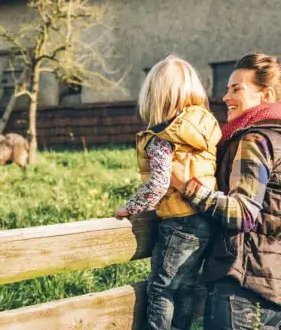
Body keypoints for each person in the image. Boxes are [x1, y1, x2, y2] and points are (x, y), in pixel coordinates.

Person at [171, 52, 281, 329]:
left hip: (243, 290)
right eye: (227, 88)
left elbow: (243, 214)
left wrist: (187, 187)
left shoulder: (255, 139)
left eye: (236, 89)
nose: (226, 97)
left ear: (265, 95)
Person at [115, 55, 222, 330]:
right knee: (184, 288)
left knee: (161, 289)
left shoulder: (164, 137)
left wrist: (131, 206)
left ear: (155, 96)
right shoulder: (204, 127)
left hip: (179, 221)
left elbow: (159, 183)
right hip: (207, 216)